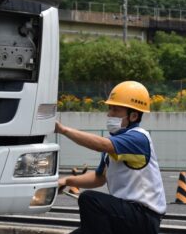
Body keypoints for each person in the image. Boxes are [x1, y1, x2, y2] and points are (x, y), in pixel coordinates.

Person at [55, 81, 166, 234]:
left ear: (133, 115)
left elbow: (102, 145)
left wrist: (63, 130)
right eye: (110, 109)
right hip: (125, 215)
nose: (109, 114)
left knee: (90, 200)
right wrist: (67, 181)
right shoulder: (116, 142)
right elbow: (99, 178)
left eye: (115, 110)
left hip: (143, 217)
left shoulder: (138, 138)